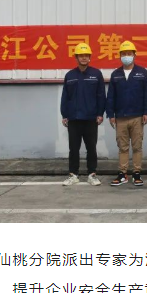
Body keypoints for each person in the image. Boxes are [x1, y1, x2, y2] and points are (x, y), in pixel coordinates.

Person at [106, 40, 147, 187]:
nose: (127, 56)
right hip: (120, 117)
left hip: (137, 116)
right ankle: (122, 174)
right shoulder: (116, 74)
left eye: (129, 53)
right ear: (120, 56)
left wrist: (146, 112)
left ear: (134, 55)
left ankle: (137, 173)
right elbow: (111, 96)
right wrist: (110, 114)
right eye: (124, 54)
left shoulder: (142, 73)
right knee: (123, 147)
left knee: (137, 147)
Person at [60, 43, 106, 186]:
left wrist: (100, 113)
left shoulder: (96, 74)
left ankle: (92, 174)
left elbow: (101, 96)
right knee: (73, 149)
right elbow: (65, 97)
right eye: (81, 56)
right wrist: (64, 115)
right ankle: (73, 175)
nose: (84, 58)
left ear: (90, 57)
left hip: (91, 118)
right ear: (76, 58)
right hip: (74, 118)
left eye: (86, 55)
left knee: (91, 148)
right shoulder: (70, 75)